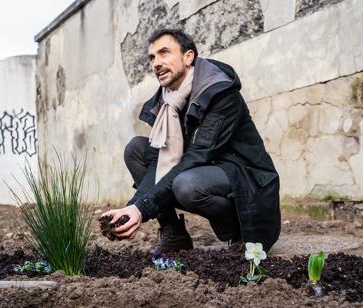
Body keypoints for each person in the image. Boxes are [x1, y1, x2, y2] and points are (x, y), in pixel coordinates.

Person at [102, 28, 280, 254]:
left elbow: (197, 156)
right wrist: (134, 207)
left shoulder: (219, 91)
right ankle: (174, 234)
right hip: (204, 169)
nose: (156, 63)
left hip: (246, 176)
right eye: (152, 57)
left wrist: (142, 208)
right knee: (136, 149)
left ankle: (241, 233)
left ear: (188, 57)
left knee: (186, 184)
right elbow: (162, 162)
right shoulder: (168, 103)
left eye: (164, 53)